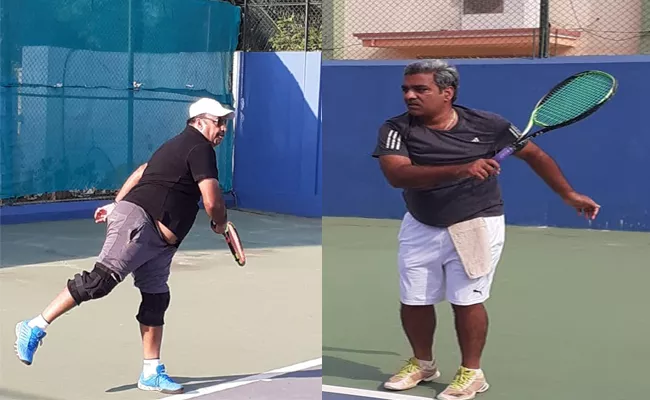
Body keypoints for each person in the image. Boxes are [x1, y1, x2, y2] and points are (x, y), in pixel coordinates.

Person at [372, 60, 600, 400]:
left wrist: (567, 193)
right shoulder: (396, 128)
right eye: (406, 89)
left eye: (421, 89)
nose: (409, 95)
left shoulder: (488, 124)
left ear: (446, 93)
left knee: (467, 300)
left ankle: (472, 373)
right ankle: (423, 363)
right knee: (414, 299)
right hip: (421, 222)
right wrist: (463, 168)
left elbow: (536, 155)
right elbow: (397, 175)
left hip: (477, 221)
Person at [14, 97, 235, 394]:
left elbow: (144, 170)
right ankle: (35, 325)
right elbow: (212, 200)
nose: (222, 128)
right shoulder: (199, 147)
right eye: (218, 121)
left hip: (160, 241)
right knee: (100, 281)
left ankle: (151, 371)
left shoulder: (178, 145)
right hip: (141, 224)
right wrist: (220, 223)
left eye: (225, 123)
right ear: (198, 122)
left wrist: (116, 204)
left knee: (156, 299)